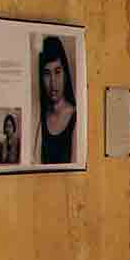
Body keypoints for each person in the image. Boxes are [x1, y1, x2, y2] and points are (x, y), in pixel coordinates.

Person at [35, 36, 77, 164]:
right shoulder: (40, 119)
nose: (53, 82)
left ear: (65, 73)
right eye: (47, 73)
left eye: (58, 72)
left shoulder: (76, 117)